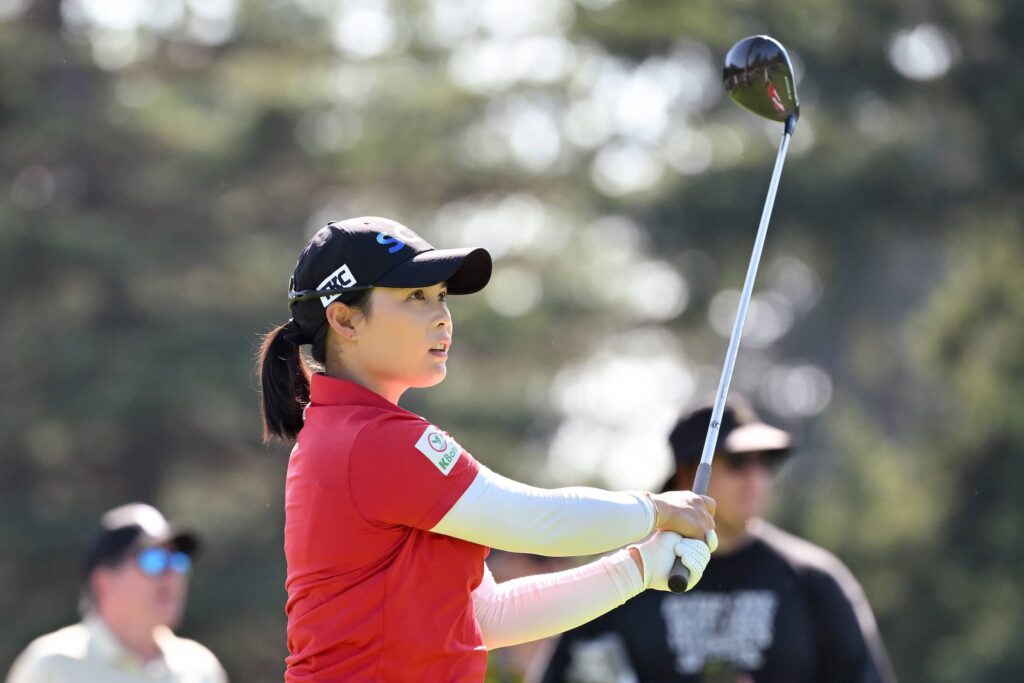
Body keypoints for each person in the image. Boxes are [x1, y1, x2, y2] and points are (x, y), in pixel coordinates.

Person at [256, 216, 719, 682]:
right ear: (345, 318)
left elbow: (487, 617)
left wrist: (638, 569)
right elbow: (532, 521)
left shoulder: (353, 431)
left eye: (439, 296)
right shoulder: (371, 439)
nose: (441, 315)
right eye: (414, 296)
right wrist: (659, 510)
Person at [540, 399, 897, 683]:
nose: (755, 477)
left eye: (764, 461)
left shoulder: (815, 581)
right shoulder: (623, 578)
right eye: (738, 461)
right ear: (687, 474)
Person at [5, 503, 228, 683]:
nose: (172, 575)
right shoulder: (52, 665)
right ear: (103, 582)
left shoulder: (200, 669)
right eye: (154, 561)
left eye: (178, 561)